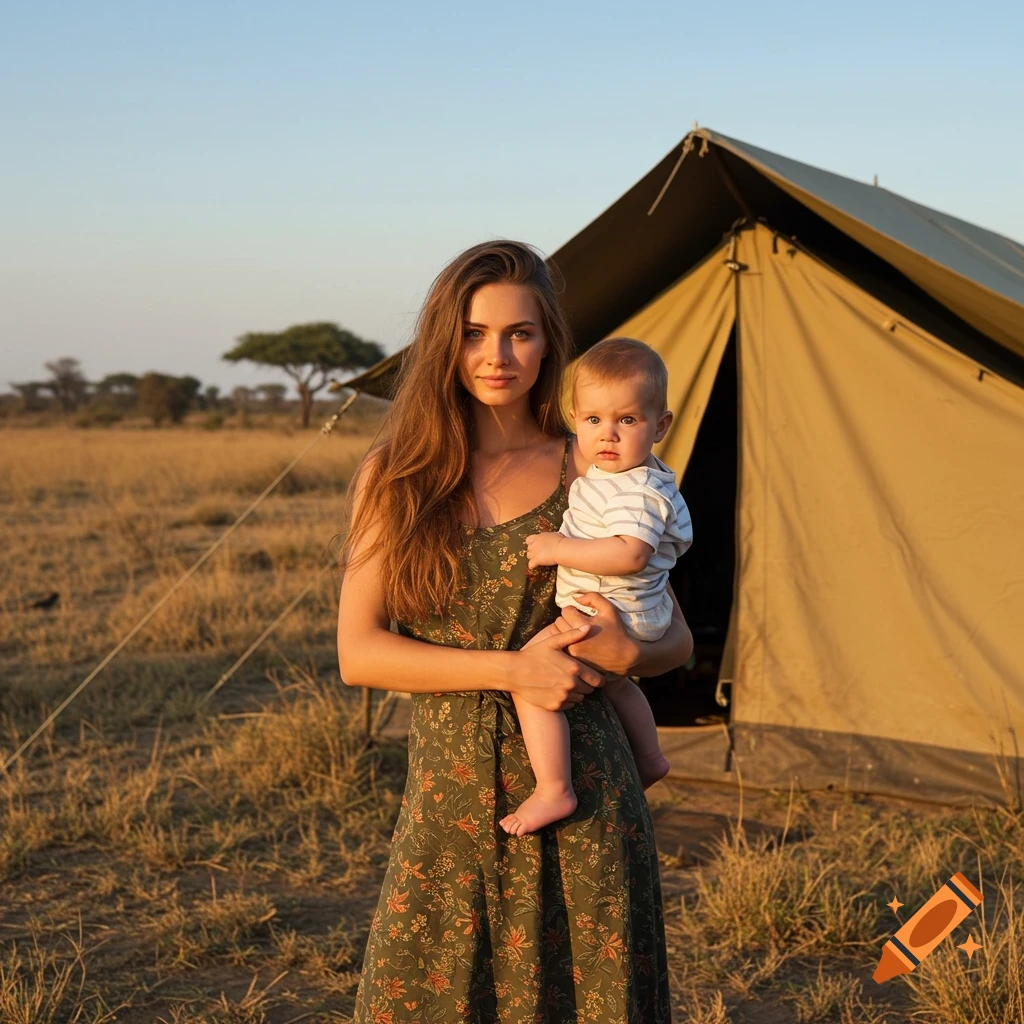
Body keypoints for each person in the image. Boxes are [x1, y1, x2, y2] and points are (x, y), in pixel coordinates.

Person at [337, 240, 693, 1024]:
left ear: (549, 343)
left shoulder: (595, 461)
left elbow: (677, 641)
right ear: (443, 341)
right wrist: (513, 671)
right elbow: (359, 652)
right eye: (474, 332)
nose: (497, 355)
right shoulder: (397, 472)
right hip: (448, 796)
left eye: (520, 333)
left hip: (586, 794)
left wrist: (630, 652)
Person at [505, 338, 692, 836]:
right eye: (593, 421)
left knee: (531, 676)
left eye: (626, 421)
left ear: (661, 426)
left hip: (614, 614)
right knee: (616, 683)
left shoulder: (638, 490)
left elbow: (629, 553)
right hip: (629, 612)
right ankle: (651, 758)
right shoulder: (623, 477)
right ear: (574, 418)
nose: (607, 435)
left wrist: (555, 549)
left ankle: (554, 789)